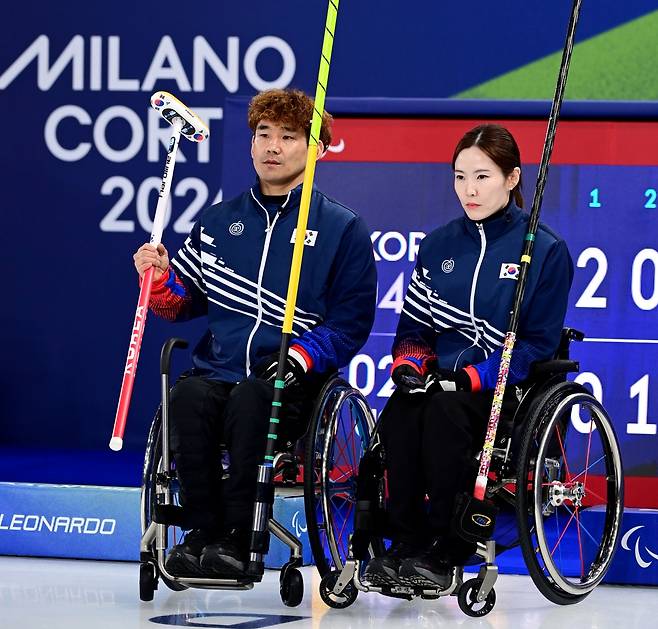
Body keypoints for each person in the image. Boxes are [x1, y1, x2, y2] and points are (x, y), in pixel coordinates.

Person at [133, 88, 377, 578]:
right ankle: (202, 533)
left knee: (251, 399)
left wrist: (300, 357)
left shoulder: (341, 228)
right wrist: (158, 279)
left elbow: (350, 324)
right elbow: (180, 302)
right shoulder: (219, 221)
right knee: (187, 397)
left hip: (291, 383)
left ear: (316, 149)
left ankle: (240, 538)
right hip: (218, 371)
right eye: (263, 134)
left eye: (288, 137)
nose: (272, 146)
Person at [363, 124, 573, 589]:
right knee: (401, 413)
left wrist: (474, 377)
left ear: (512, 178)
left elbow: (537, 344)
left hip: (503, 388)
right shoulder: (437, 245)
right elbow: (414, 329)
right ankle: (404, 543)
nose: (469, 190)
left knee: (445, 413)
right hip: (440, 381)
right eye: (460, 177)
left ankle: (446, 547)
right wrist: (409, 367)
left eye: (482, 177)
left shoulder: (545, 249)